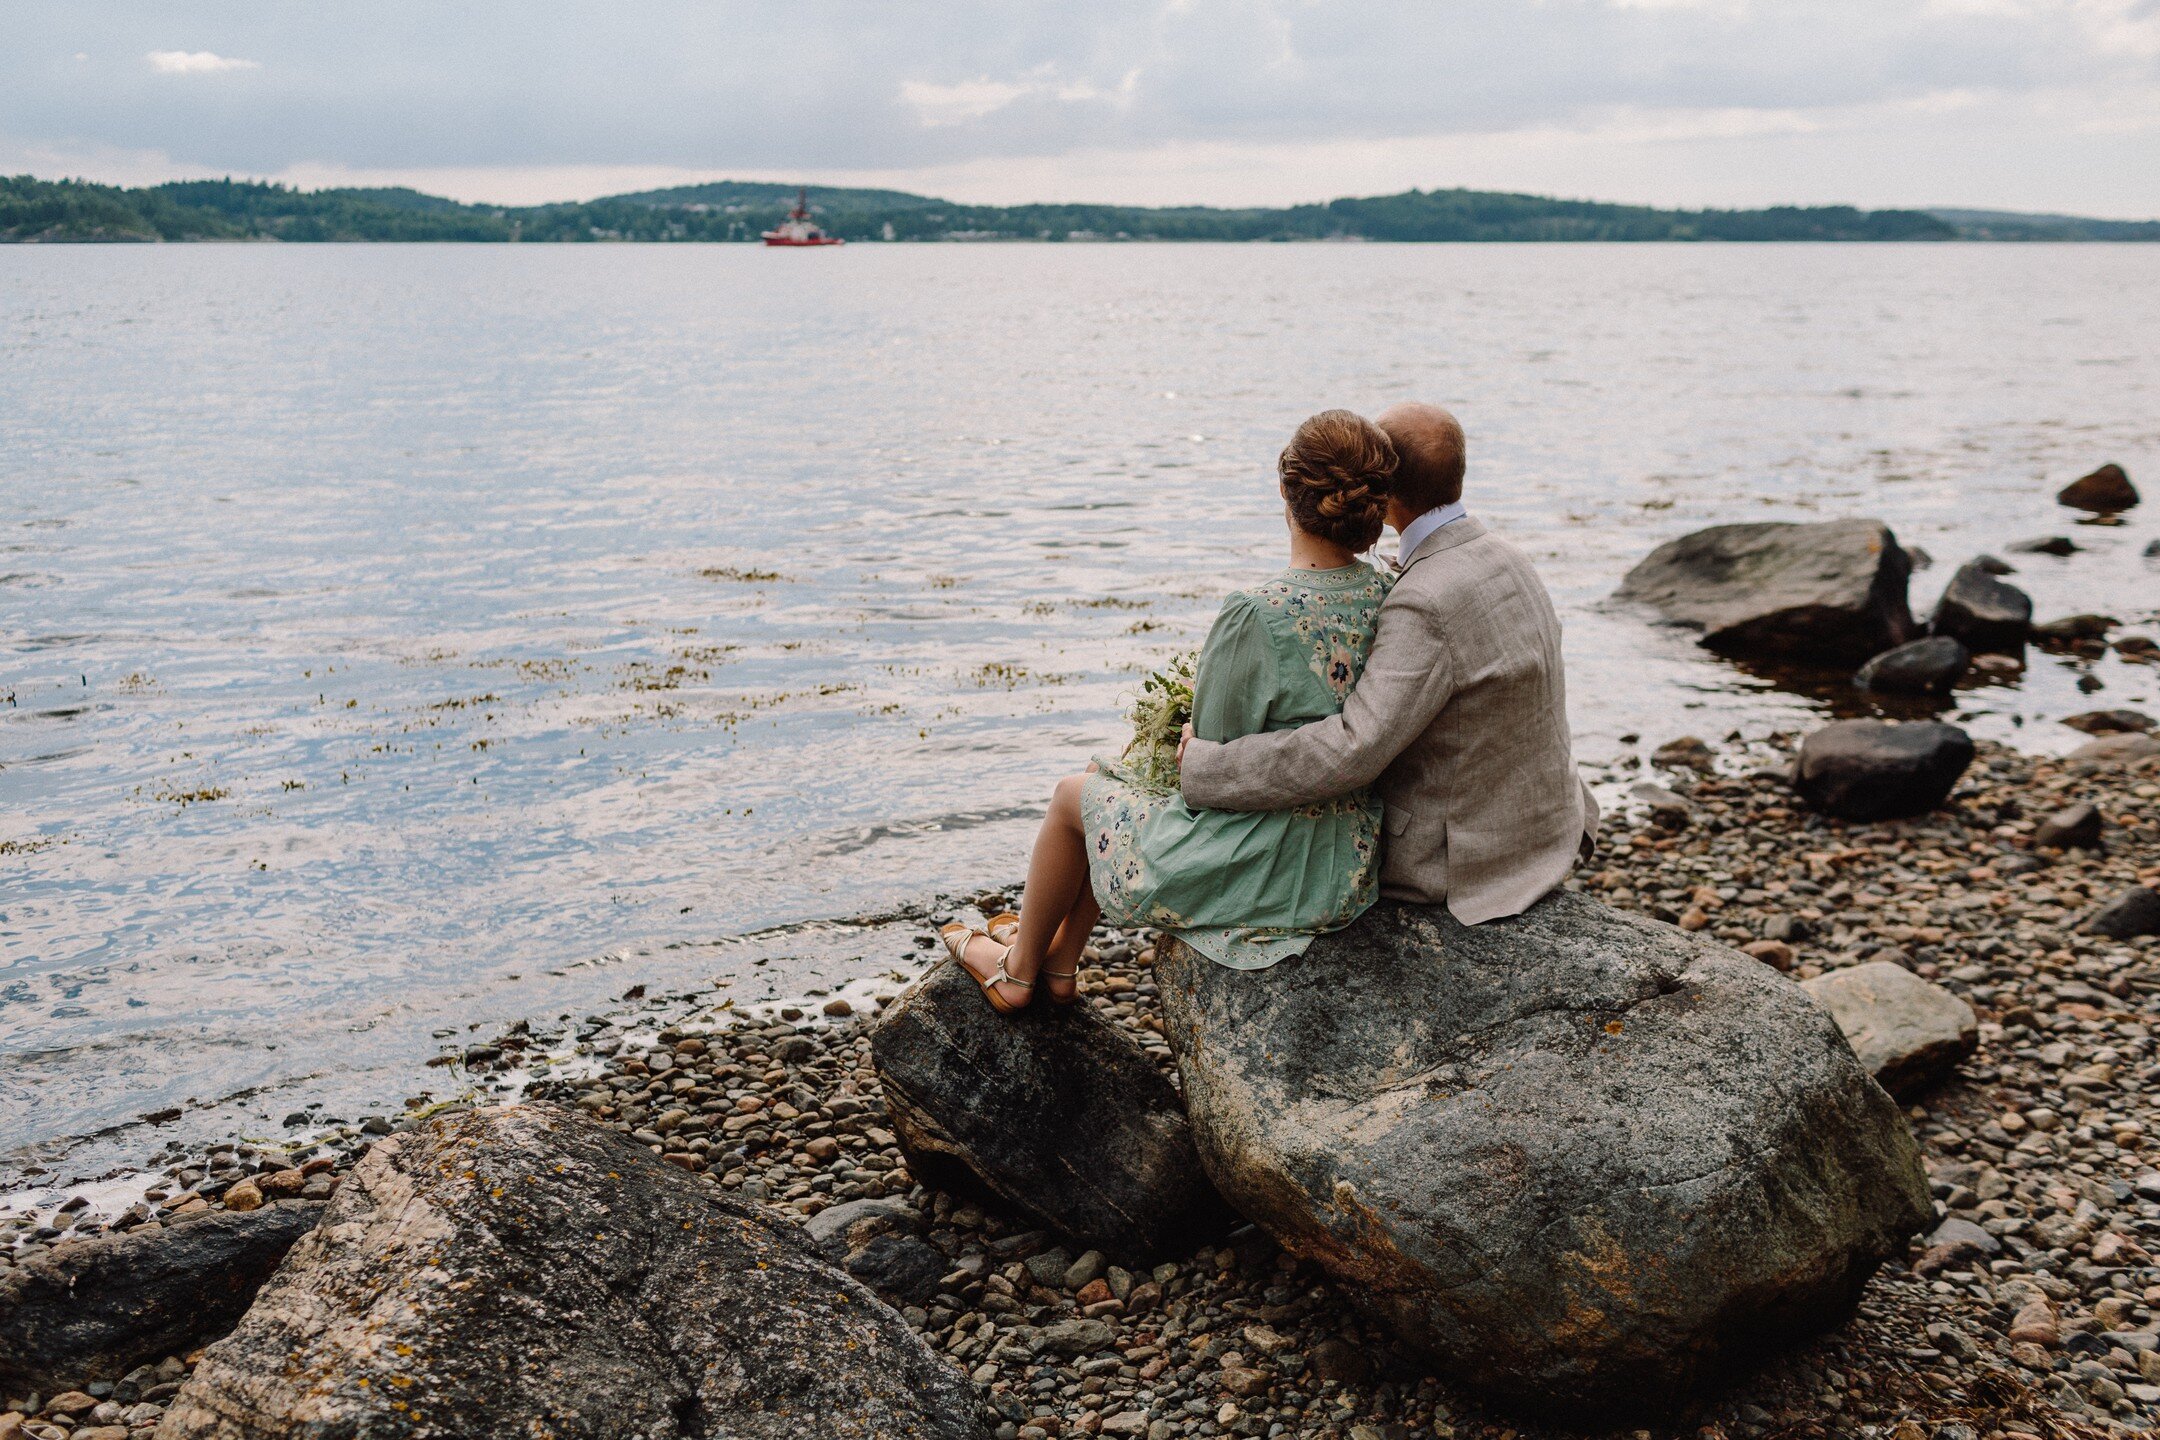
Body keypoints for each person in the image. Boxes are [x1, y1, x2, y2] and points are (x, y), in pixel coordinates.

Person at [940, 410, 1398, 1012]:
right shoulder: (1390, 594)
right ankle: (1057, 960)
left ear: (1287, 494)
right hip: (1348, 859)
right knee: (1112, 790)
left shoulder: (1257, 612)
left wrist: (1181, 732)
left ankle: (1017, 970)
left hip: (1275, 862)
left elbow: (1211, 754)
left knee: (1071, 796)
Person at [1178, 402, 1597, 924]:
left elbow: (1355, 747)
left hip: (1462, 862)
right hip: (1545, 824)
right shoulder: (1506, 555)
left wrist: (1207, 765)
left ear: (1386, 487)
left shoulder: (1426, 599)